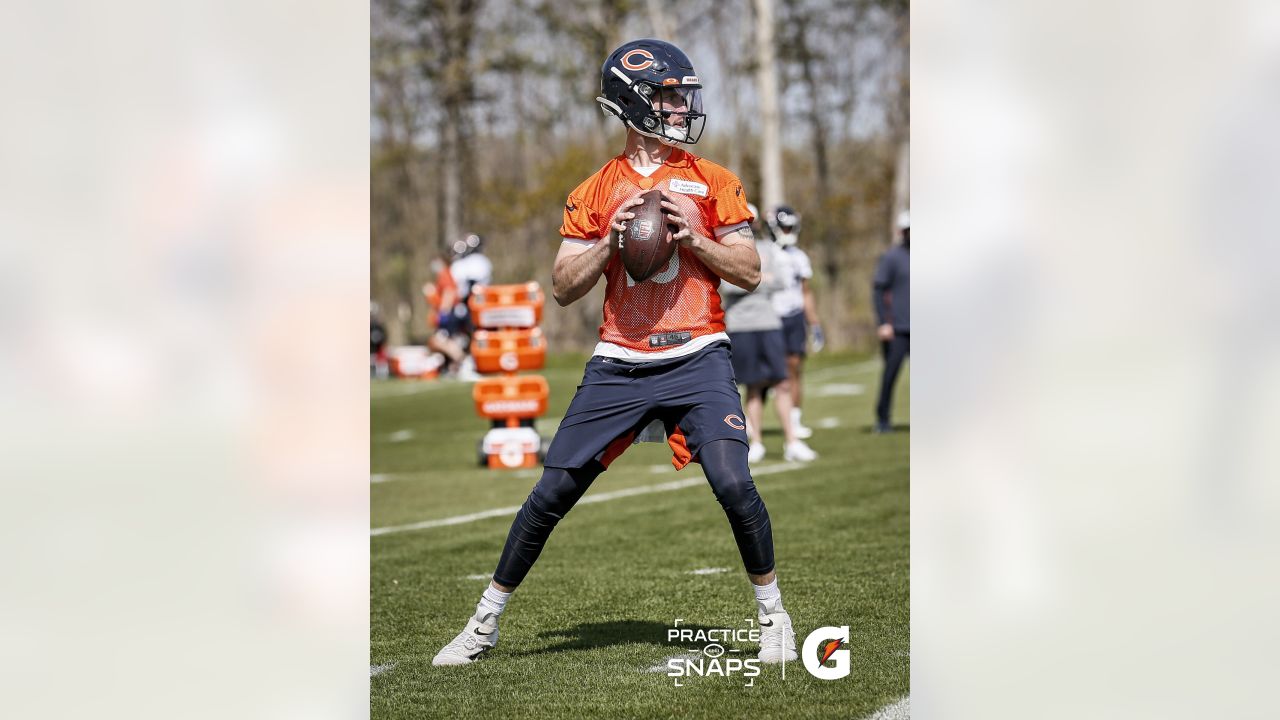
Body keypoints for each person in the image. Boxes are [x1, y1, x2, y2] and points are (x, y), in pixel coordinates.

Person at [432, 39, 797, 667]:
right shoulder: (596, 190)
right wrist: (608, 241)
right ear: (635, 103)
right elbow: (564, 286)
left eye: (685, 96)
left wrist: (698, 238)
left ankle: (774, 618)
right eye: (671, 95)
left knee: (734, 481)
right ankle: (484, 622)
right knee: (550, 495)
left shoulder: (715, 181)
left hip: (698, 352)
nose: (683, 107)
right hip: (619, 361)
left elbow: (750, 270)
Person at [720, 203, 818, 464]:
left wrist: (749, 278)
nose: (750, 227)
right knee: (753, 387)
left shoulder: (766, 249)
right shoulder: (725, 251)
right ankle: (756, 442)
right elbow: (728, 286)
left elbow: (780, 281)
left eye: (751, 222)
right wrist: (757, 277)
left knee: (783, 382)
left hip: (769, 323)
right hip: (741, 326)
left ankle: (792, 442)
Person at [767, 205, 823, 439]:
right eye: (785, 226)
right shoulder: (766, 253)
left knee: (794, 368)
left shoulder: (799, 257)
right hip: (769, 317)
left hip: (793, 316)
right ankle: (750, 420)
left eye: (791, 226)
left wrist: (815, 324)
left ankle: (795, 418)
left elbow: (805, 292)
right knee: (763, 374)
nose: (788, 230)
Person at [873, 211, 911, 433]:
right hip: (897, 329)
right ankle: (883, 419)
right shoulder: (891, 257)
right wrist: (883, 322)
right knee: (890, 375)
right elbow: (878, 291)